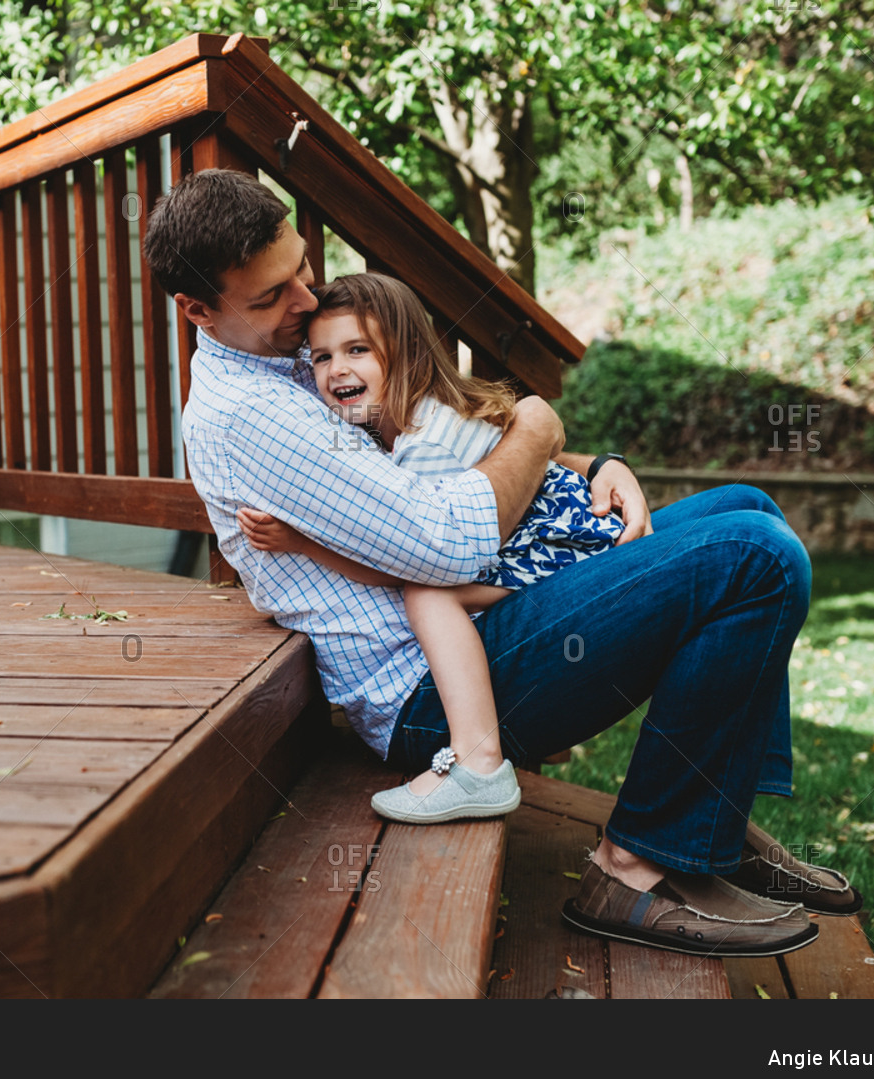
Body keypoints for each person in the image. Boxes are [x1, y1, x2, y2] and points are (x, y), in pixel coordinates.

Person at [142, 168, 861, 957]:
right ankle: (635, 867)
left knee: (747, 508)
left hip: (482, 614)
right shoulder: (251, 413)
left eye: (303, 269)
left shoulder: (294, 352)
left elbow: (454, 450)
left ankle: (708, 814)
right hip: (433, 690)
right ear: (197, 310)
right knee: (754, 559)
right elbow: (446, 541)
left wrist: (588, 465)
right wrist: (541, 427)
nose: (307, 301)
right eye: (273, 295)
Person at [237, 272, 625, 826]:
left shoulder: (424, 446)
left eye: (357, 350)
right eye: (320, 358)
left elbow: (394, 567)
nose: (336, 369)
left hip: (560, 539)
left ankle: (478, 763)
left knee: (426, 592)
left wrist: (302, 542)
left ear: (406, 354)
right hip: (552, 529)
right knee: (431, 587)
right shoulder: (402, 426)